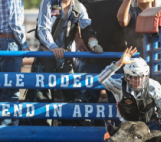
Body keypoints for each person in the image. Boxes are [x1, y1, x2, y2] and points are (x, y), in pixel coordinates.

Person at [26, 0, 103, 129]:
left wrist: (93, 41)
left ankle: (71, 141)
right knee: (42, 98)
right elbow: (42, 29)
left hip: (66, 56)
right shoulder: (48, 3)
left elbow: (86, 27)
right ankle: (42, 141)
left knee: (74, 97)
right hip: (46, 55)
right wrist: (54, 47)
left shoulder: (78, 7)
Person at [75, 0, 126, 109]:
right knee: (87, 100)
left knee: (119, 101)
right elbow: (72, 12)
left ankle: (117, 125)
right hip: (89, 56)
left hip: (118, 57)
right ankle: (88, 125)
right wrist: (77, 38)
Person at [0, 0, 29, 127]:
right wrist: (25, 46)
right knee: (10, 90)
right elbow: (15, 23)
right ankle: (3, 135)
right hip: (11, 43)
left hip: (4, 41)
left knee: (4, 90)